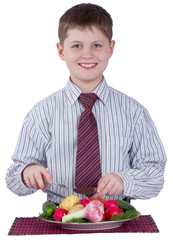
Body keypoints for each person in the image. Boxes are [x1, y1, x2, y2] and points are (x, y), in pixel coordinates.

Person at [6, 3, 167, 204]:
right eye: (77, 46)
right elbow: (13, 179)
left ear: (111, 49)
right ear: (61, 50)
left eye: (97, 45)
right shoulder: (41, 113)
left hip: (115, 216)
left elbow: (155, 176)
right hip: (60, 217)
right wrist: (27, 172)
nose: (87, 54)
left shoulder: (134, 112)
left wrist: (125, 180)